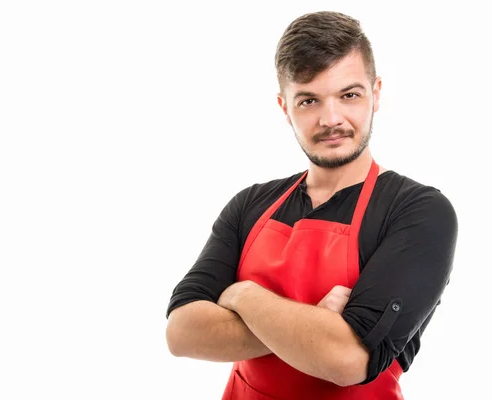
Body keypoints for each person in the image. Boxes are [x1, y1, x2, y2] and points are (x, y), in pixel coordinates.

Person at [165, 10, 458, 400]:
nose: (330, 118)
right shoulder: (249, 204)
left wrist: (242, 295)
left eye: (349, 95)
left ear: (377, 93)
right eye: (308, 100)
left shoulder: (418, 212)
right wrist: (314, 323)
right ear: (285, 108)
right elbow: (182, 332)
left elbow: (347, 360)